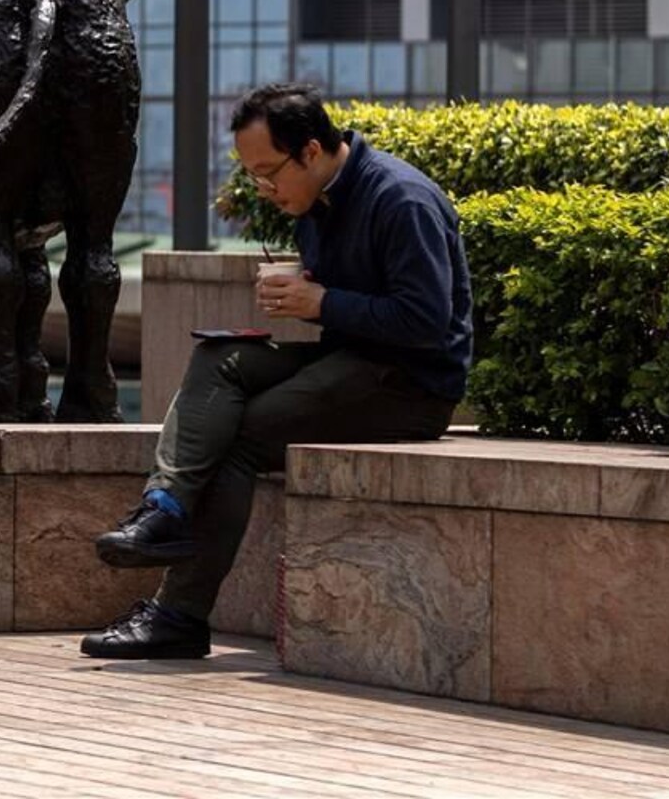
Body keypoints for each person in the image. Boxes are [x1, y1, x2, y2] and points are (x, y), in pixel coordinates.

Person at [80, 82, 472, 661]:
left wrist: (321, 302)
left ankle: (179, 617)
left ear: (311, 151)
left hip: (411, 384)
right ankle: (163, 509)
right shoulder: (316, 201)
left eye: (270, 173)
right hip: (352, 360)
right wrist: (309, 291)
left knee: (240, 436)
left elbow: (427, 322)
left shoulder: (401, 200)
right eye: (253, 176)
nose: (264, 189)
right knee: (219, 358)